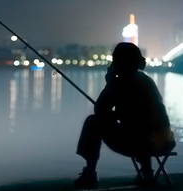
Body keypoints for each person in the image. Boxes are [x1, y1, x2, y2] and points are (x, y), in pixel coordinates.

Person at [74, 42, 176, 188]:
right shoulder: (146, 79)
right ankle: (147, 173)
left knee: (93, 122)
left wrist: (109, 84)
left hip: (142, 144)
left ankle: (90, 172)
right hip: (165, 142)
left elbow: (100, 111)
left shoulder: (121, 82)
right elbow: (139, 112)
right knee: (141, 128)